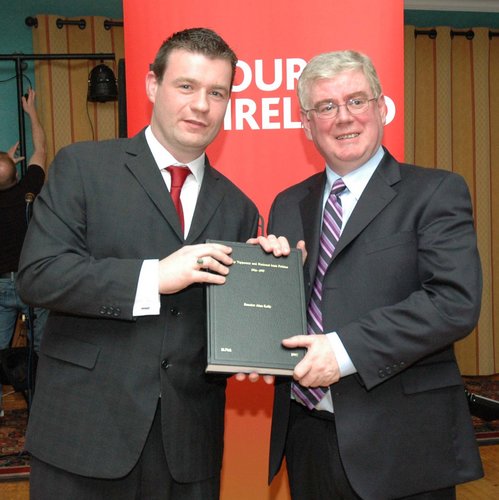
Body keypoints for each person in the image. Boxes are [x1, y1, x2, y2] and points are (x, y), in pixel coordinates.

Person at [17, 28, 260, 500]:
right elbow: (39, 275)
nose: (202, 105)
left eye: (217, 92)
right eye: (186, 86)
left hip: (188, 448)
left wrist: (262, 332)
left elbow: (228, 326)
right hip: (85, 436)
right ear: (152, 85)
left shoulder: (239, 207)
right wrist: (153, 277)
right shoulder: (83, 167)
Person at [265, 50, 483, 499]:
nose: (344, 118)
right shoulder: (287, 203)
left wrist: (341, 352)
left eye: (356, 101)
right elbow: (288, 313)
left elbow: (454, 302)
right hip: (306, 434)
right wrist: (259, 307)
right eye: (326, 107)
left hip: (403, 444)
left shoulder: (436, 191)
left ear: (381, 108)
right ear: (307, 125)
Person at [0, 88, 48, 415]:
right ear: (18, 174)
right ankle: (44, 408)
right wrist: (30, 111)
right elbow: (41, 148)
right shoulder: (29, 190)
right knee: (42, 349)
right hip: (32, 283)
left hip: (1, 286)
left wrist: (4, 161)